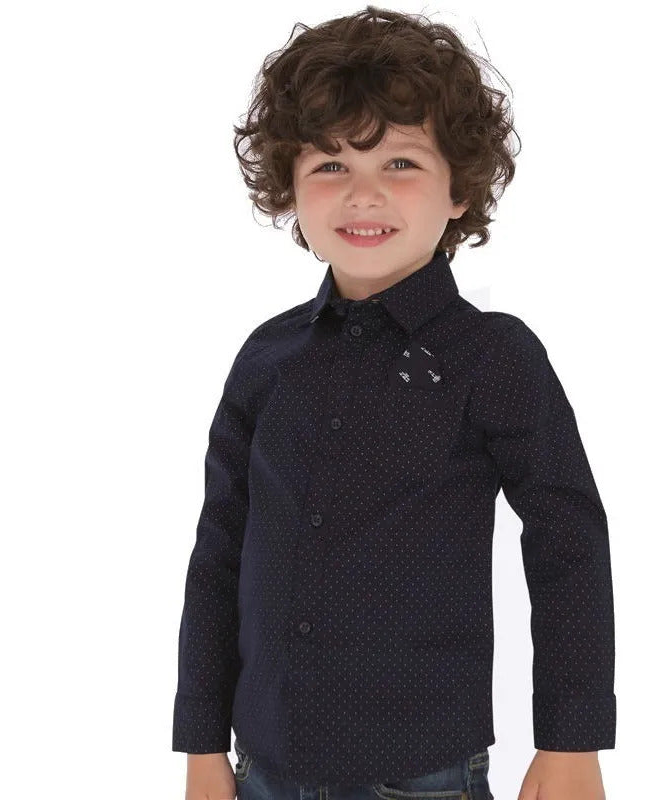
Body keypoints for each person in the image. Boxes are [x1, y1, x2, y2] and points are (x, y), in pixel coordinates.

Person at [172, 6, 616, 799]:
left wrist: (572, 741)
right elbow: (218, 557)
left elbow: (568, 543)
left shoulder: (494, 357)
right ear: (291, 188)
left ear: (459, 190)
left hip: (423, 772)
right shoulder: (266, 359)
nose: (363, 195)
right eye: (330, 166)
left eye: (400, 163)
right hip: (263, 768)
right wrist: (201, 745)